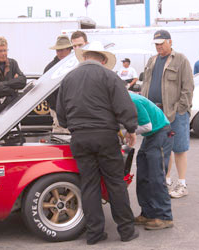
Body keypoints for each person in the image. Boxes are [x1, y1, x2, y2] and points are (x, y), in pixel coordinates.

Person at [56, 41, 139, 245]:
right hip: (105, 136)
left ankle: (94, 234)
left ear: (84, 57)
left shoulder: (68, 79)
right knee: (115, 183)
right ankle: (126, 231)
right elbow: (124, 106)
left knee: (89, 184)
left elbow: (61, 115)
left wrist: (73, 124)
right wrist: (131, 129)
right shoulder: (109, 76)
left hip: (80, 138)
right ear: (103, 60)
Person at [141, 29, 194, 199]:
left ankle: (182, 184)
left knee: (179, 148)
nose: (159, 47)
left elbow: (188, 87)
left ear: (170, 42)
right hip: (157, 112)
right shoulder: (152, 60)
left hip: (175, 112)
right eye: (156, 44)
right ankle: (167, 181)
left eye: (162, 43)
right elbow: (146, 84)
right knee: (164, 149)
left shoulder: (180, 59)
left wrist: (180, 108)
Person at [129, 92, 174, 230]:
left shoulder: (133, 101)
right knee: (143, 175)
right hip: (151, 136)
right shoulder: (123, 99)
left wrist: (127, 132)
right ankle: (148, 213)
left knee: (156, 176)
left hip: (160, 133)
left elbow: (147, 126)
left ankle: (164, 217)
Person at [43, 35, 73, 133]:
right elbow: (46, 92)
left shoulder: (76, 65)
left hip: (74, 110)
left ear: (69, 50)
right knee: (59, 134)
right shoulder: (50, 68)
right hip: (57, 110)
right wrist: (56, 108)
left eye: (63, 50)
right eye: (58, 50)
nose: (61, 53)